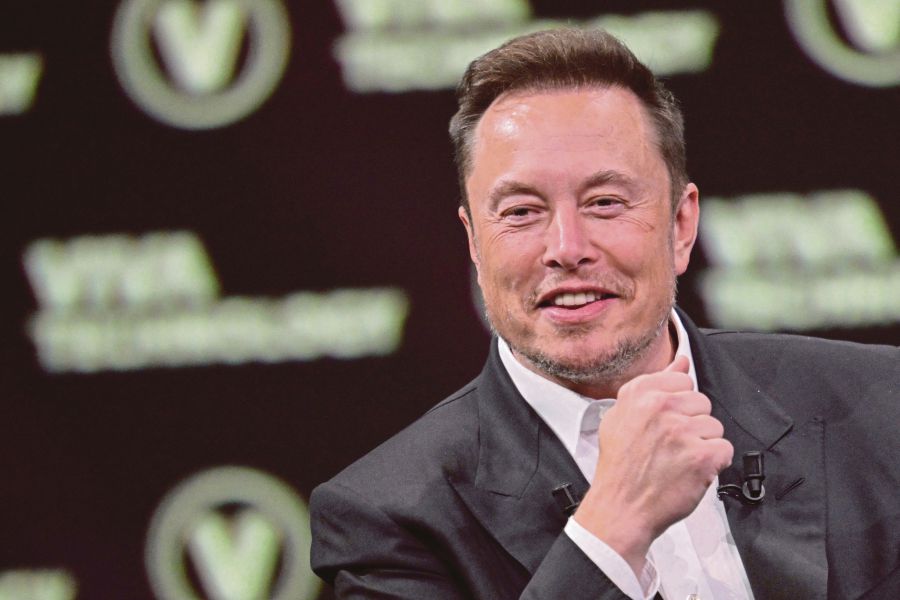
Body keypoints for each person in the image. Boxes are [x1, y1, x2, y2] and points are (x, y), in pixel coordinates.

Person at [309, 28, 899, 599]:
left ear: (680, 225)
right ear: (473, 242)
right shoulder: (387, 518)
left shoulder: (880, 406)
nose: (567, 247)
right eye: (520, 212)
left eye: (605, 203)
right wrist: (609, 533)